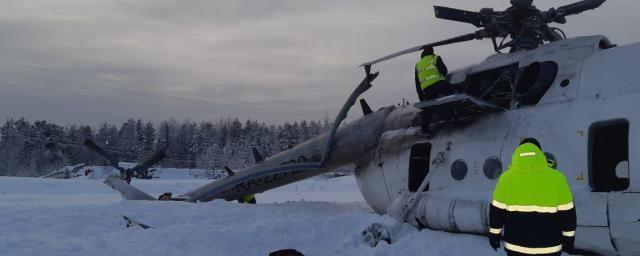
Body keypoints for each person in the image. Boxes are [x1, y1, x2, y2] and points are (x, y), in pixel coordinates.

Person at [489, 138, 577, 256]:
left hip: (516, 247)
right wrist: (569, 237)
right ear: (540, 153)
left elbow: (496, 211)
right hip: (550, 248)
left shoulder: (506, 178)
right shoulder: (558, 178)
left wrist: (494, 234)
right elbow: (568, 213)